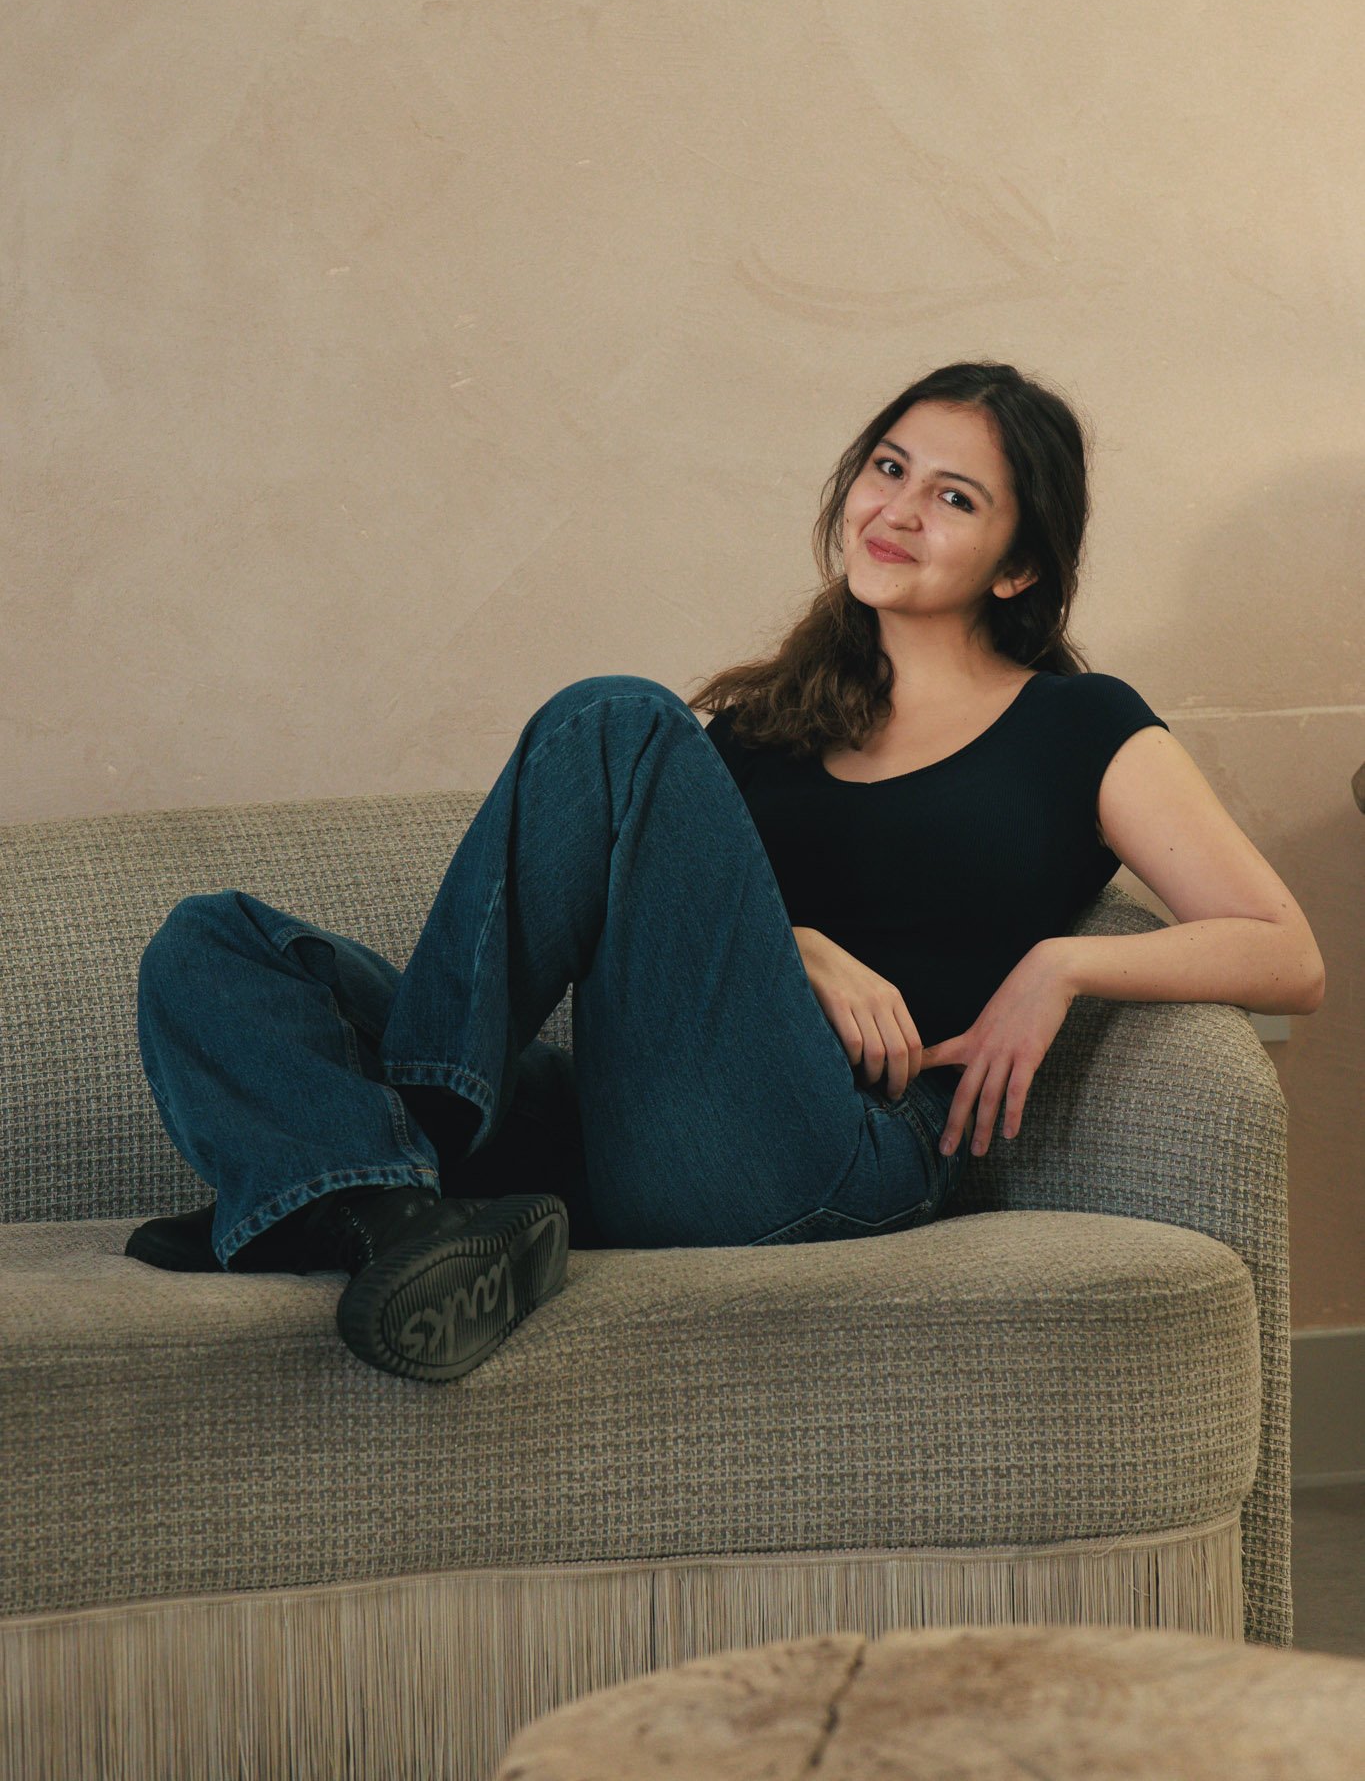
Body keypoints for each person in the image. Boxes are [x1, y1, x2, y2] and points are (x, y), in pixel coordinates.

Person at [127, 358, 1326, 1386]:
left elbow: (1288, 951)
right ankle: (393, 1214)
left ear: (1018, 567)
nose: (899, 509)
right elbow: (687, 939)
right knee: (212, 940)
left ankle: (383, 1160)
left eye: (955, 497)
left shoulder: (1078, 726)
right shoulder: (767, 726)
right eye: (889, 468)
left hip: (835, 1148)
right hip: (638, 1137)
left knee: (618, 717)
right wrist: (797, 947)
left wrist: (1060, 966)